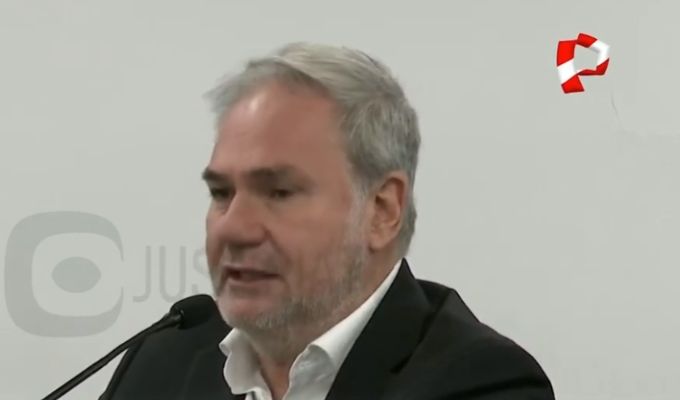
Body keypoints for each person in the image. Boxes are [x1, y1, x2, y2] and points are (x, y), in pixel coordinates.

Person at [105, 42, 555, 400]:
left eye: (279, 193)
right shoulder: (163, 359)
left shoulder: (481, 382)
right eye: (221, 194)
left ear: (382, 210)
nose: (234, 229)